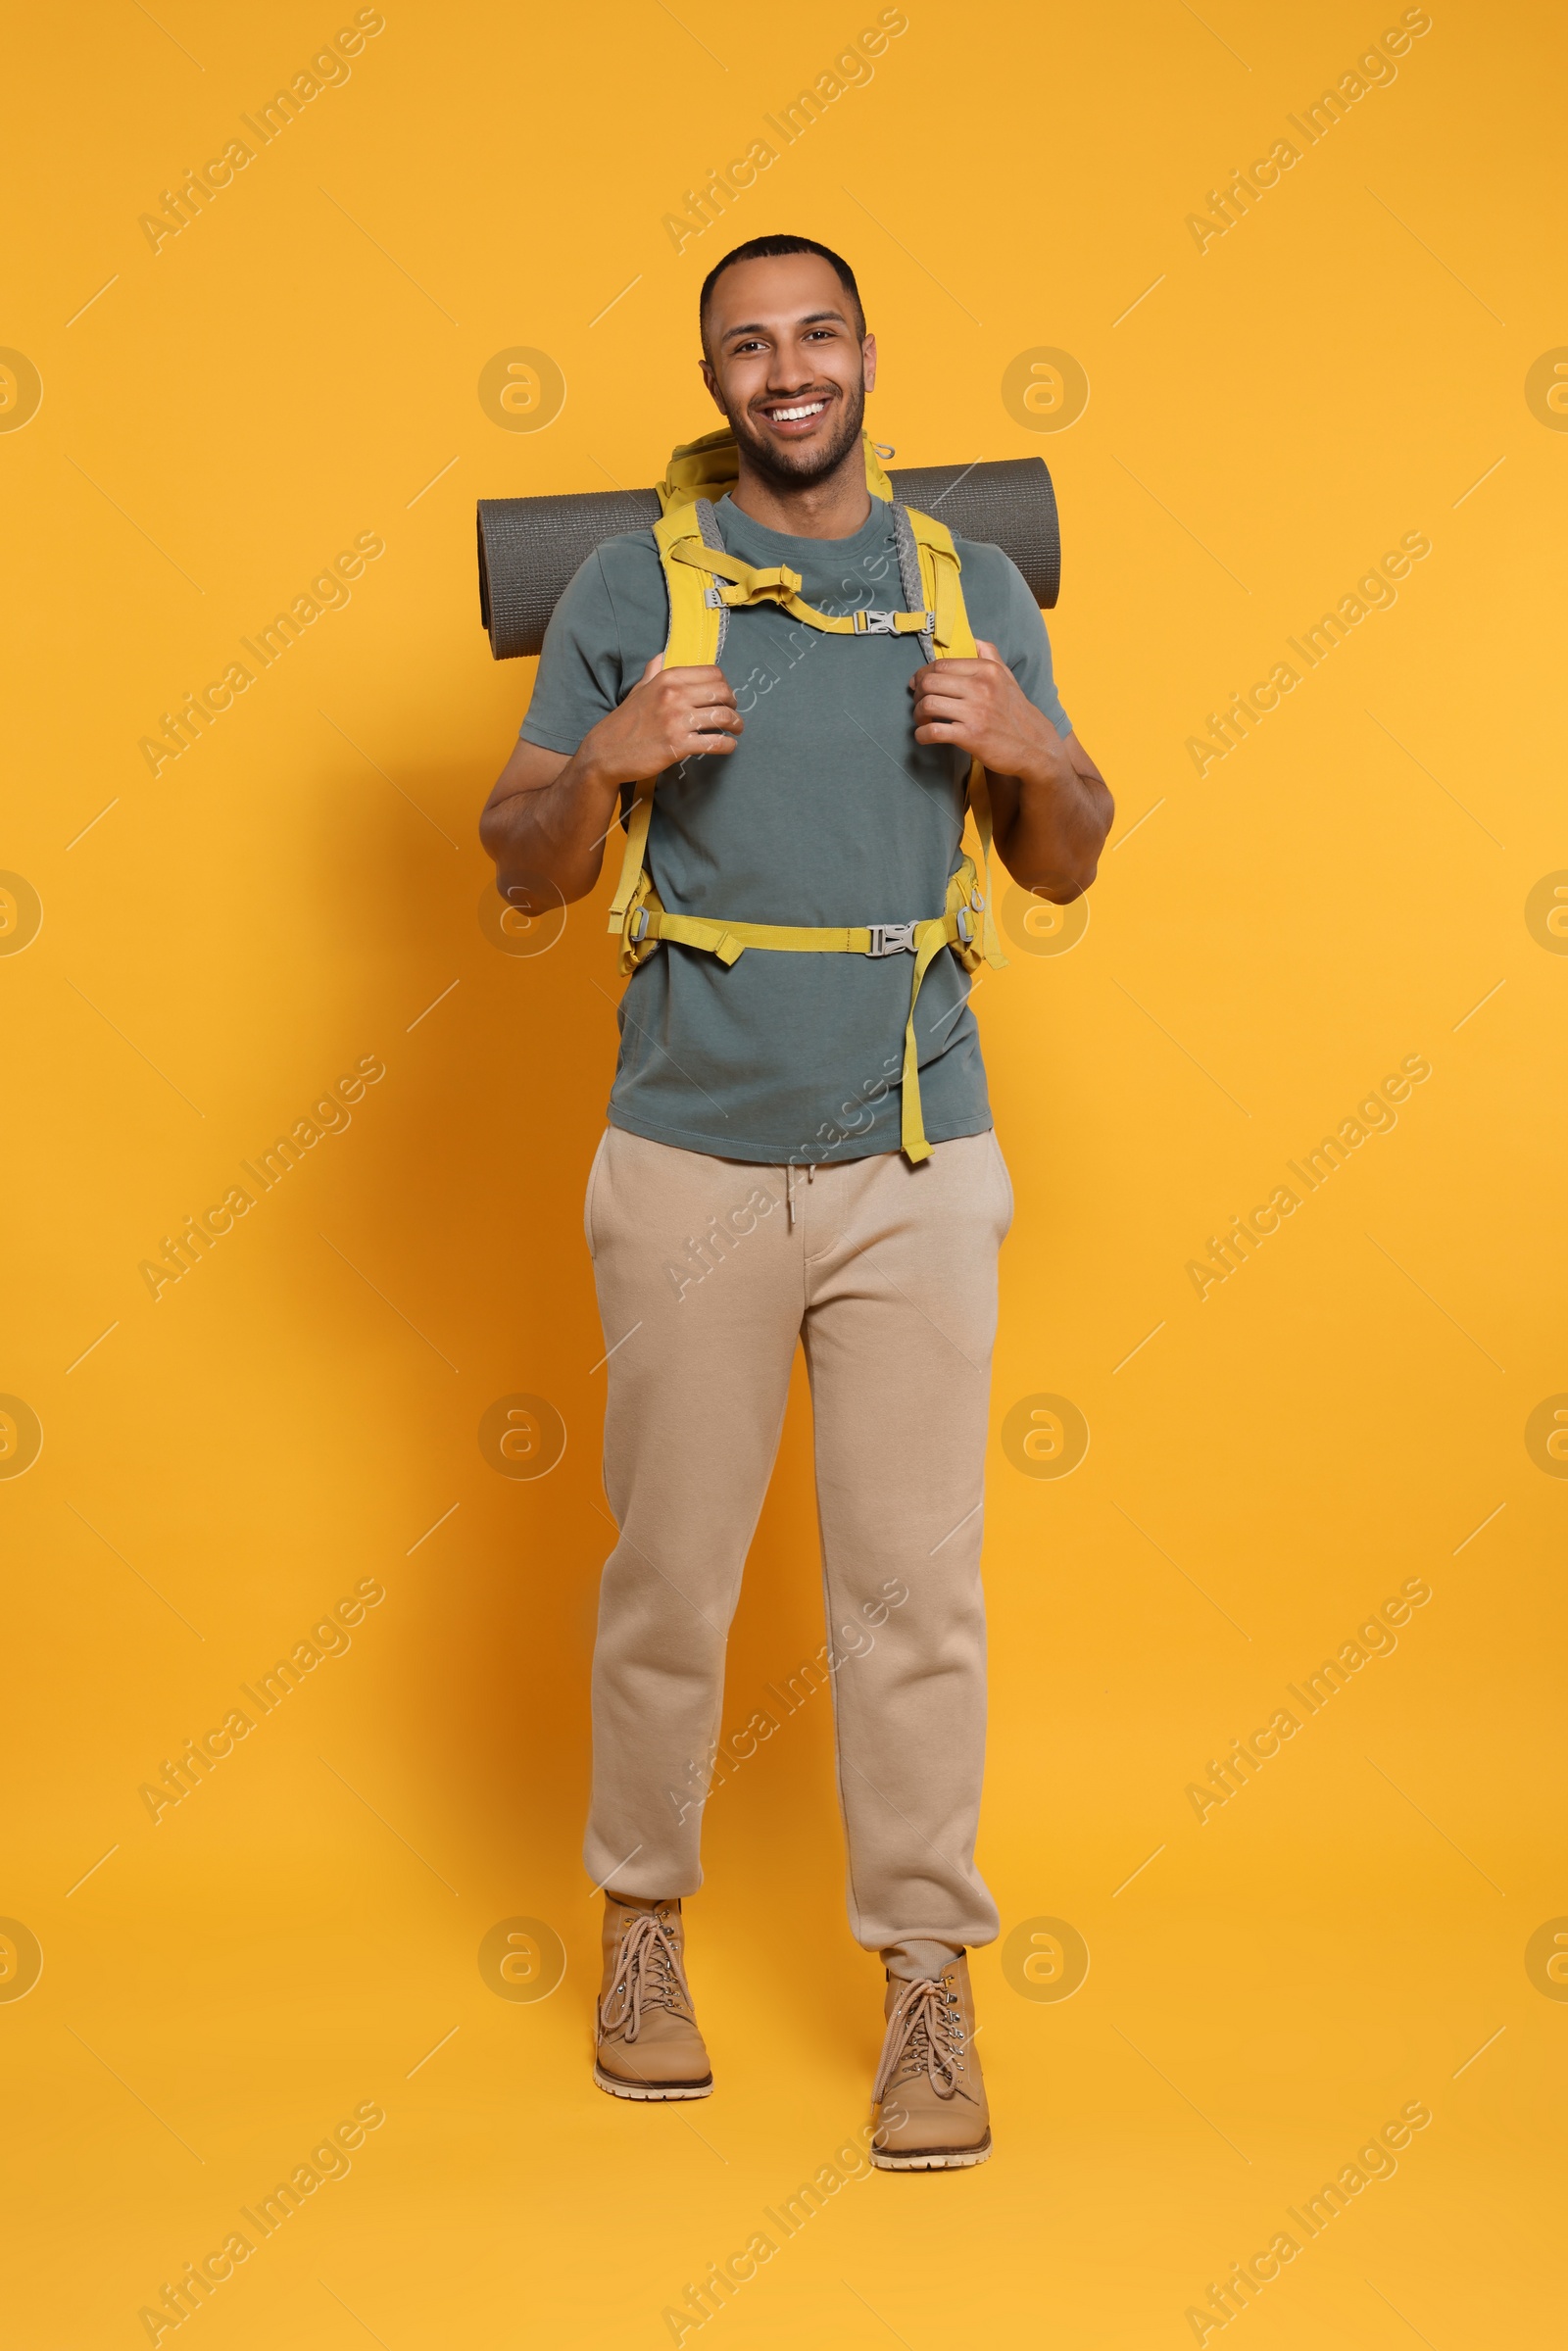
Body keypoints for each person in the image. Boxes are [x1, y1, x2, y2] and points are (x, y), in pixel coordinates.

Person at [480, 233, 1111, 2169]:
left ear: (860, 354)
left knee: (912, 1600)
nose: (785, 368)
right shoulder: (625, 587)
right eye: (745, 346)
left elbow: (1068, 857)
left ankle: (928, 1983)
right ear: (716, 381)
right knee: (667, 1581)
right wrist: (596, 759)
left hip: (918, 1157)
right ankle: (644, 1935)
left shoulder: (967, 581)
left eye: (813, 332)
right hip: (686, 1159)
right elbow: (520, 868)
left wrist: (1029, 750)